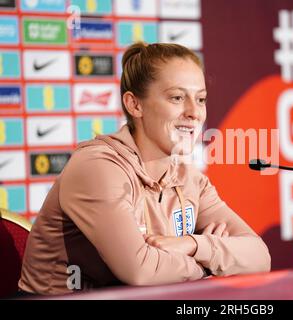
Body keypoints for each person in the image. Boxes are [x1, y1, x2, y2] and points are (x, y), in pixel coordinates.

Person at [18, 42, 271, 295]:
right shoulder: (97, 166)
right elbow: (140, 271)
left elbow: (259, 257)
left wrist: (193, 244)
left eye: (201, 99)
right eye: (177, 97)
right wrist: (212, 265)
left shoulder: (188, 178)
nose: (195, 112)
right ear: (134, 105)